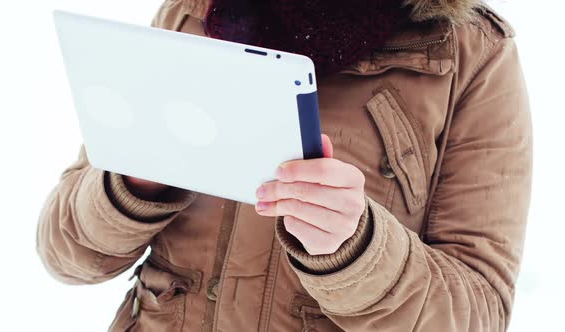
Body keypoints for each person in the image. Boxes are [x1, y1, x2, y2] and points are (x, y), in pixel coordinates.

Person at [36, 0, 532, 331]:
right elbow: (67, 256)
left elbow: (480, 313)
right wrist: (131, 182)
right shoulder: (192, 11)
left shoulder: (470, 52)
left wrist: (357, 253)